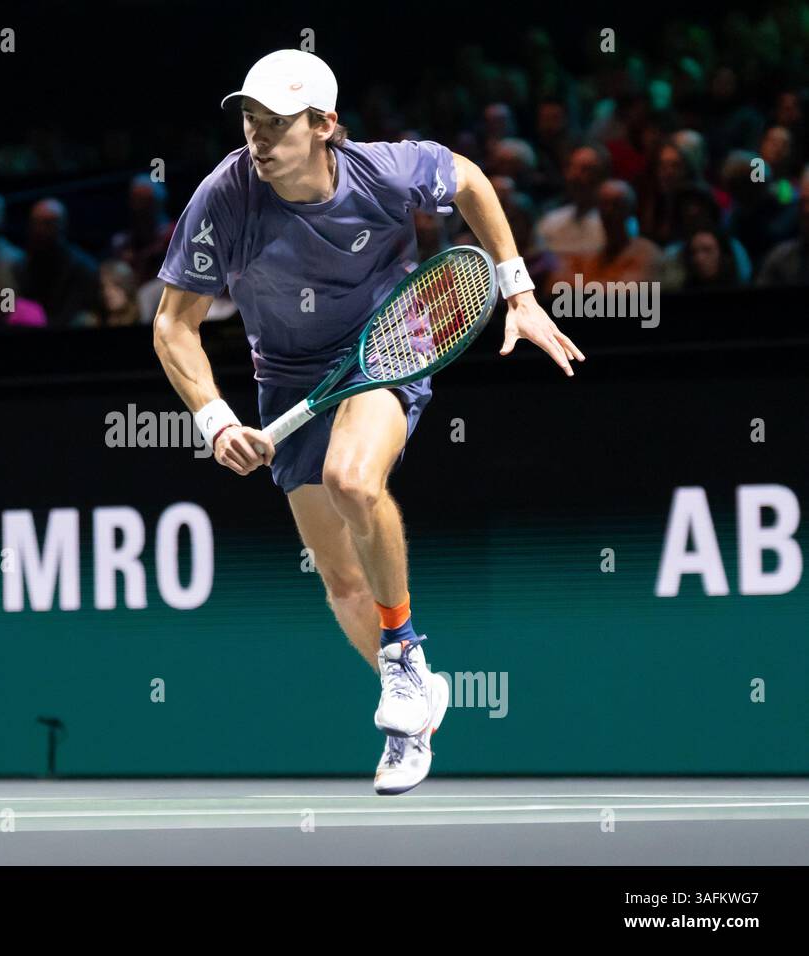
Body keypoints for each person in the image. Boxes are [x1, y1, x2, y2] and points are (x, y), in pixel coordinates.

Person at [152, 50, 582, 796]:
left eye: (278, 123)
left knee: (351, 478)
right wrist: (217, 423)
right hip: (287, 379)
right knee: (342, 580)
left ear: (324, 127)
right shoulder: (224, 196)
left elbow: (471, 180)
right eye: (250, 119)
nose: (258, 136)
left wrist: (519, 292)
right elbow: (172, 326)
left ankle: (405, 657)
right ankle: (409, 697)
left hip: (388, 345)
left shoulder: (384, 171)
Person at [20, 198, 101, 328]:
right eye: (36, 223)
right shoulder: (26, 263)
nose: (40, 230)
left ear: (63, 225)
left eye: (48, 224)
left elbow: (73, 314)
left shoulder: (82, 267)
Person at [535, 144, 609, 256]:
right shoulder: (550, 221)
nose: (575, 175)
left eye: (586, 170)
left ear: (602, 175)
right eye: (572, 167)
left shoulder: (613, 224)